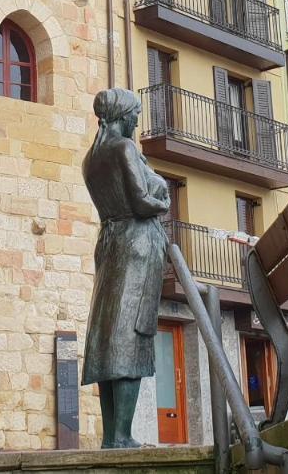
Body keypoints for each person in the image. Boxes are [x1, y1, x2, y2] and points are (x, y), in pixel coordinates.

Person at [80, 88, 171, 449]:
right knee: (130, 338)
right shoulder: (124, 148)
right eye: (135, 114)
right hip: (136, 245)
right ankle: (123, 435)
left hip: (110, 243)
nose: (137, 121)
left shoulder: (91, 158)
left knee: (107, 337)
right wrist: (162, 202)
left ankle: (110, 435)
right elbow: (141, 201)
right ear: (122, 115)